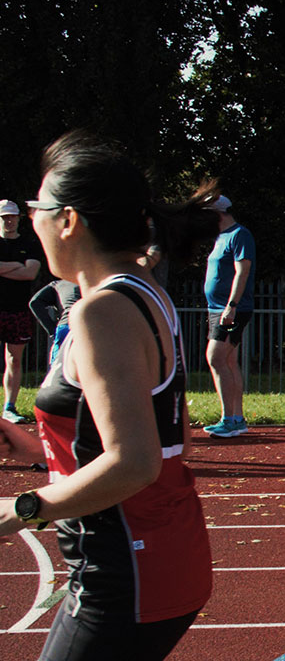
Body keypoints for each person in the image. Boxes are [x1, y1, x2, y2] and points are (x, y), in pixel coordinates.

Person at [0, 131, 218, 660]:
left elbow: (135, 462)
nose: (32, 220)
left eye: (37, 208)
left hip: (127, 572)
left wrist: (23, 509)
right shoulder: (146, 293)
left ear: (69, 219)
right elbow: (172, 437)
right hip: (155, 560)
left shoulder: (103, 313)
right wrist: (28, 445)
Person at [202, 194, 255, 438]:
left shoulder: (239, 235)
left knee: (215, 358)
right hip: (217, 308)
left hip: (230, 308)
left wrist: (231, 306)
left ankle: (228, 419)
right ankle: (237, 419)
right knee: (229, 361)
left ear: (218, 213)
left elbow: (242, 271)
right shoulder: (220, 237)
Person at [0, 199, 43, 423]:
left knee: (14, 360)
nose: (9, 221)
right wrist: (17, 266)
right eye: (4, 217)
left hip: (18, 309)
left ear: (18, 218)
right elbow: (23, 269)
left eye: (12, 216)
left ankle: (10, 407)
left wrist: (4, 268)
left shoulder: (30, 244)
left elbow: (30, 273)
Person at [29, 278, 81, 365]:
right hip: (88, 326)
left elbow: (34, 303)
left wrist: (52, 330)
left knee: (58, 368)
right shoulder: (97, 282)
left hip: (65, 326)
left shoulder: (58, 284)